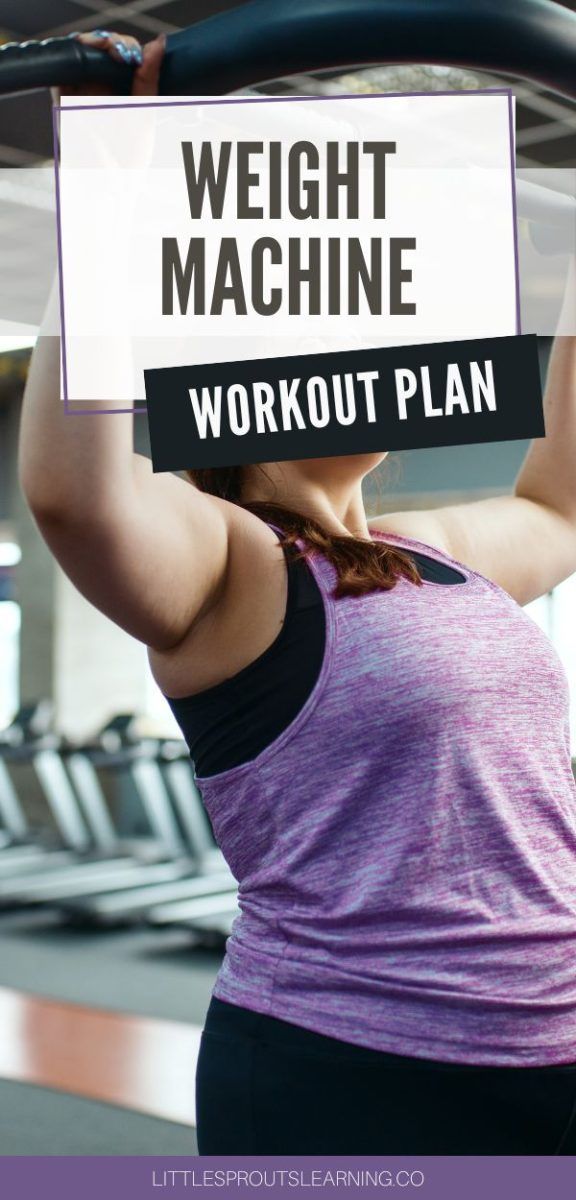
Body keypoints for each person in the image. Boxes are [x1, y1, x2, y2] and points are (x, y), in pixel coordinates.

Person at [20, 31, 576, 1155]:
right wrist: (111, 180)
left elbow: (565, 503)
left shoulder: (438, 551)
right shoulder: (230, 564)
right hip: (359, 1075)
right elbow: (76, 497)